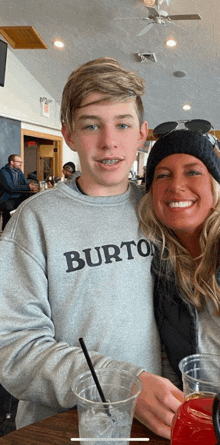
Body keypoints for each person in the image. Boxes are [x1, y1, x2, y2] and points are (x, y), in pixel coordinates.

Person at [0, 57, 182, 439]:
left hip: (153, 419)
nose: (109, 141)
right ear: (67, 134)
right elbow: (15, 350)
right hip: (62, 425)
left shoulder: (159, 210)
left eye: (122, 124)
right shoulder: (33, 222)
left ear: (142, 133)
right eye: (91, 125)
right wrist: (124, 382)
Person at [139, 128, 220, 388]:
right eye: (163, 175)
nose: (176, 186)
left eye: (193, 171)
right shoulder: (161, 265)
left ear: (214, 184)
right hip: (196, 417)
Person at [0, 154, 38, 229]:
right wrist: (28, 187)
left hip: (19, 196)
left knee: (29, 206)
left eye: (21, 162)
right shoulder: (4, 172)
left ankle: (22, 231)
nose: (21, 164)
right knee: (10, 208)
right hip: (7, 198)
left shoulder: (19, 171)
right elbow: (11, 188)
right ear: (12, 162)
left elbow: (25, 183)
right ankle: (7, 230)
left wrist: (30, 187)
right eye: (19, 162)